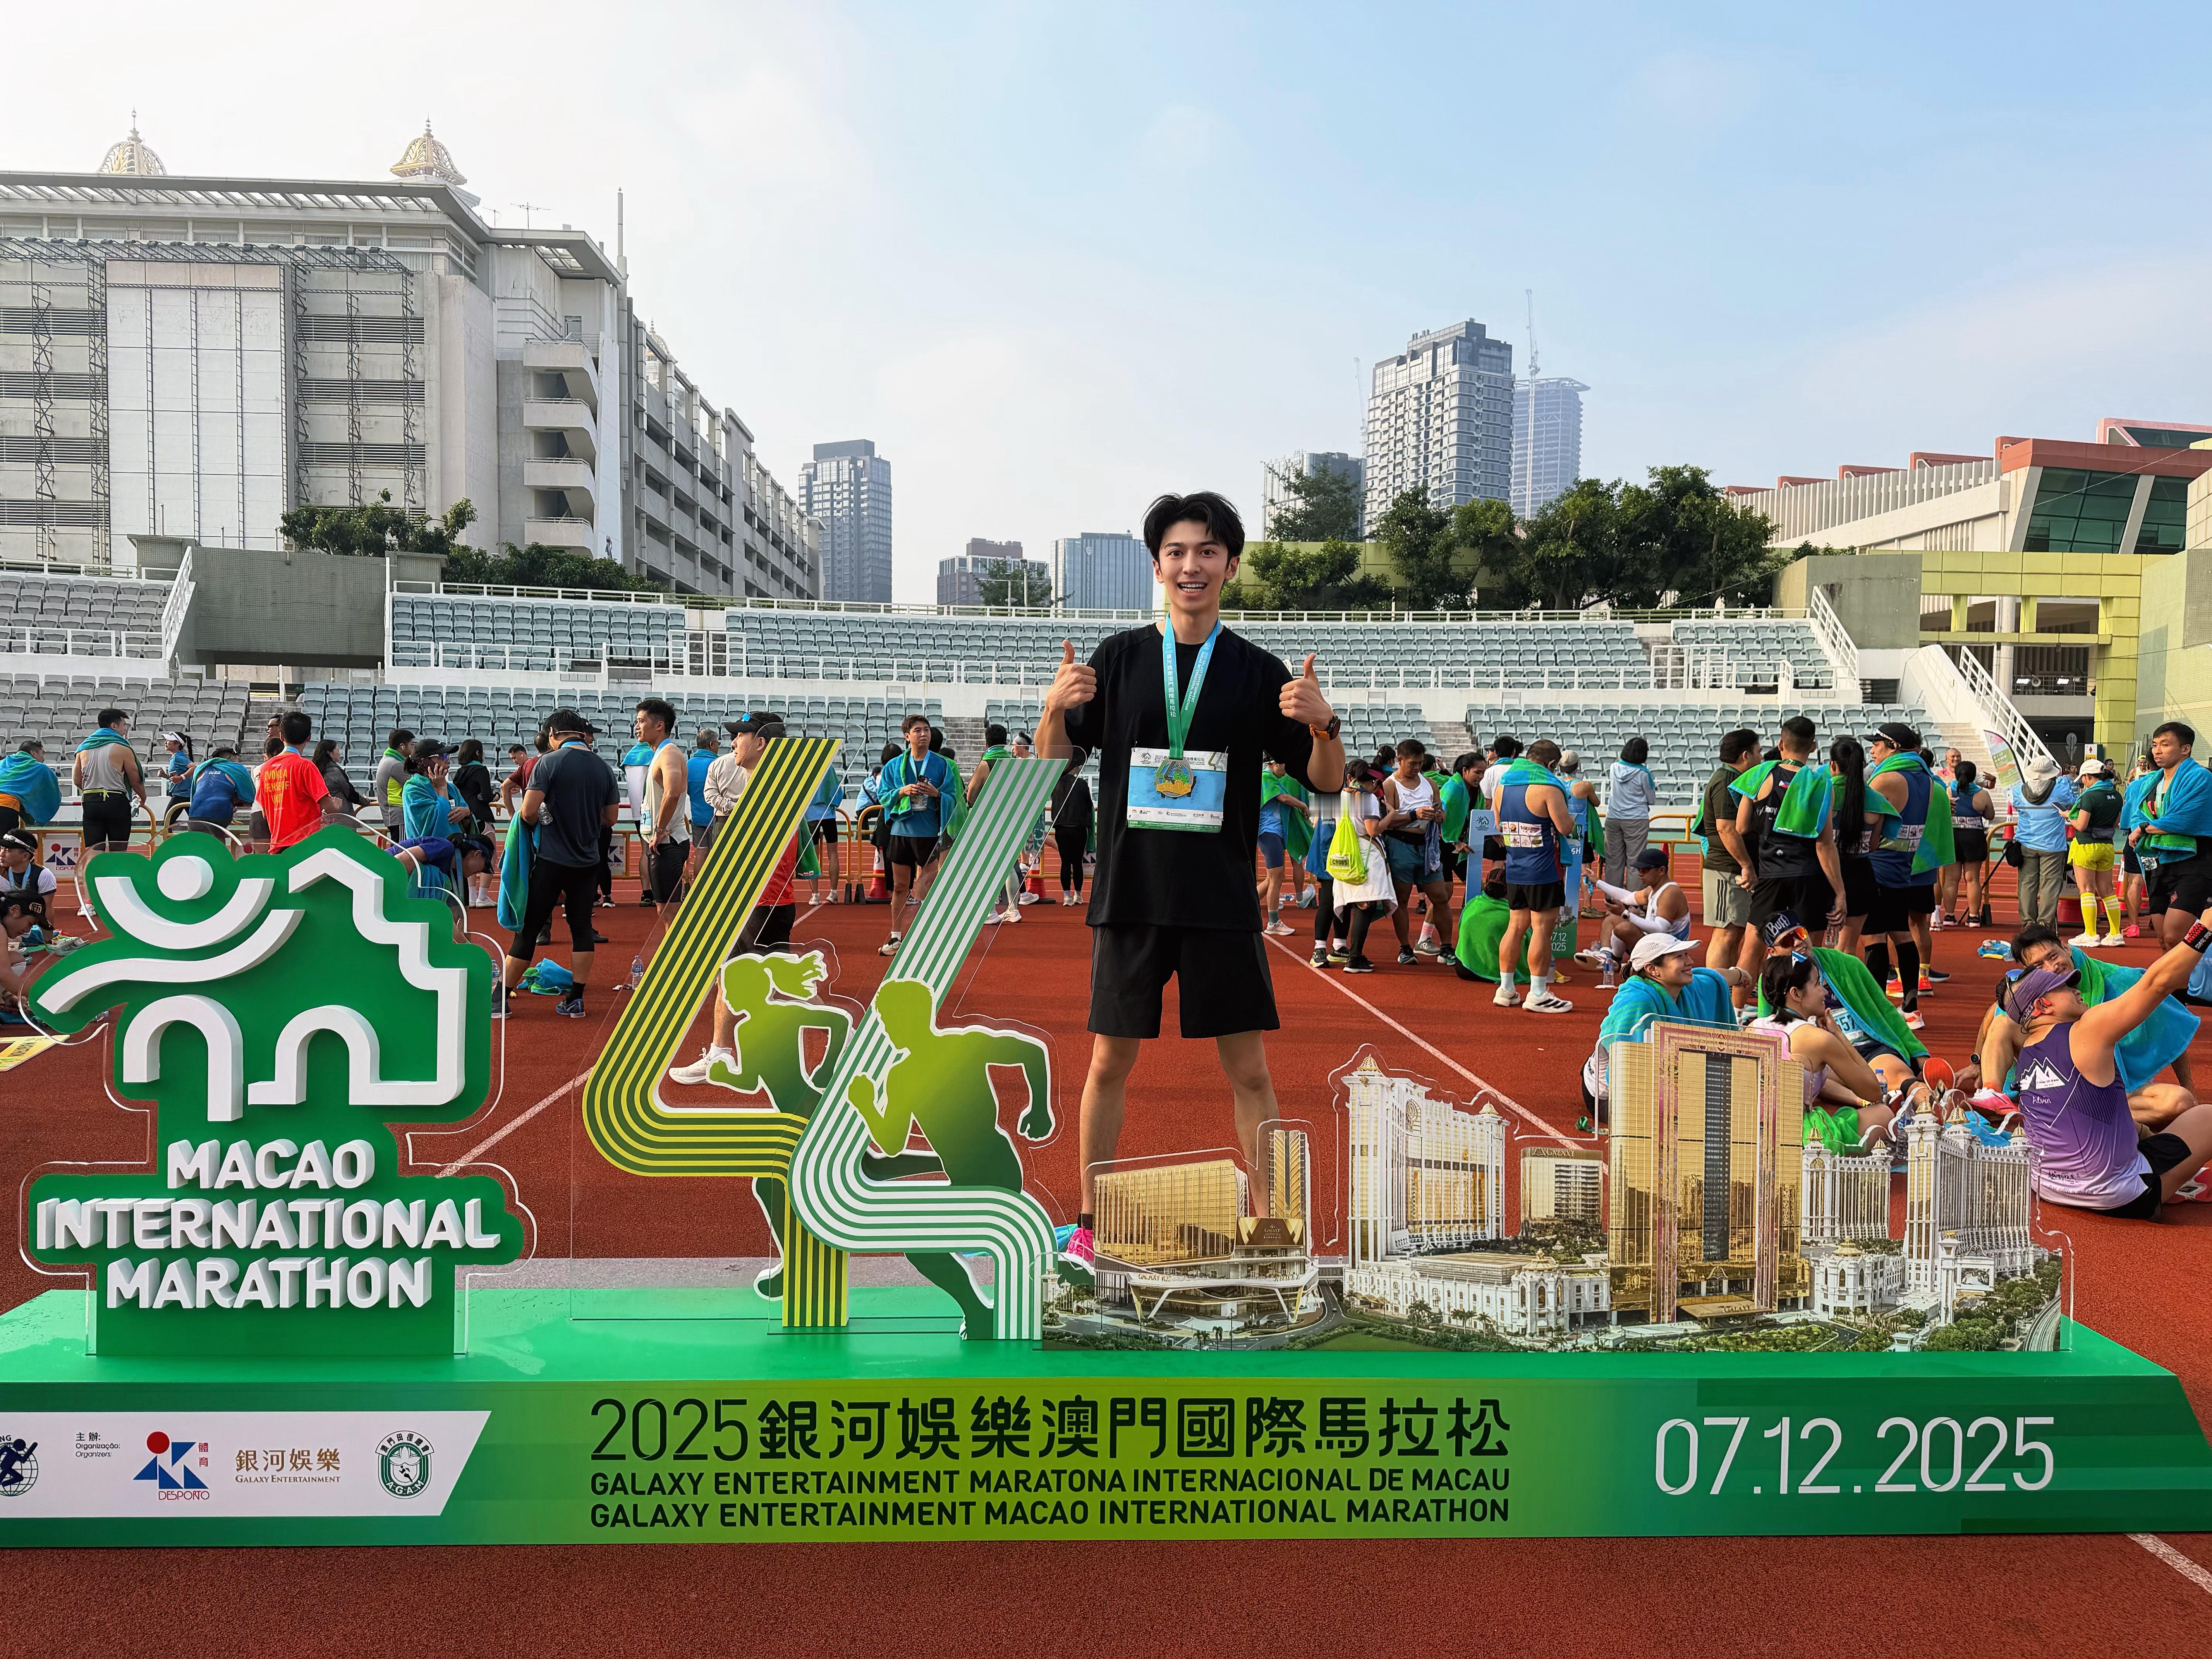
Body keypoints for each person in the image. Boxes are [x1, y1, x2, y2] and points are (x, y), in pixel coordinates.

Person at [1038, 489, 1343, 1285]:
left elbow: (1325, 781)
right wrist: (1053, 708)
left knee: (1250, 1071)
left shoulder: (1257, 670)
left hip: (1219, 897)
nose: (1191, 565)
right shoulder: (1117, 659)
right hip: (1131, 893)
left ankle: (1270, 1227)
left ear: (1231, 565)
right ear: (1157, 566)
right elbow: (1051, 764)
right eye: (1176, 551)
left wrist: (1324, 724)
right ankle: (1088, 1225)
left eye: (1207, 550)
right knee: (1109, 1063)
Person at [2004, 917, 2212, 1218]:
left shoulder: (2026, 1050)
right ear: (2043, 1006)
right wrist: (2204, 930)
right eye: (2065, 988)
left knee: (2117, 1121)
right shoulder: (2088, 1030)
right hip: (2119, 1196)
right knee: (2207, 1117)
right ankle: (2172, 1181)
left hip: (2048, 1189)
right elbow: (2157, 983)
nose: (2076, 989)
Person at [1977, 923, 2199, 1133]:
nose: (2052, 968)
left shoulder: (2118, 981)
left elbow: (2170, 1029)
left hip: (2106, 1089)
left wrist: (2188, 1086)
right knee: (2003, 1021)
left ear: (2067, 948)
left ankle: (2063, 1117)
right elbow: (1995, 1012)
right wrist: (1977, 1062)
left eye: (2053, 956)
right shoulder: (2027, 991)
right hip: (2055, 1085)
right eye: (2039, 966)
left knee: (2179, 1101)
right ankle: (1992, 1095)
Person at [501, 709, 621, 1020]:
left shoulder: (548, 762)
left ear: (553, 734)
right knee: (581, 928)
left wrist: (547, 818)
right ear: (581, 733)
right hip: (587, 861)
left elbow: (528, 812)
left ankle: (500, 998)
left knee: (528, 930)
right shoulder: (604, 768)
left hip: (551, 860)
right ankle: (576, 999)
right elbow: (611, 818)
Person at [1731, 714, 1846, 1003]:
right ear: (1814, 747)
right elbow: (1825, 844)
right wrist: (1840, 892)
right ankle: (1801, 1012)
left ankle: (1736, 1015)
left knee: (1752, 949)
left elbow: (1741, 827)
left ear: (1781, 744)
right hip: (1808, 879)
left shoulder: (1759, 777)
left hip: (1771, 877)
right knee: (1807, 949)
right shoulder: (1820, 785)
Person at [1582, 933, 1749, 1126]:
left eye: (1687, 954)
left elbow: (1715, 978)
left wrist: (1739, 975)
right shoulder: (1638, 1002)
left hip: (1659, 1076)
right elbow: (1628, 1074)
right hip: (1611, 1093)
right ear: (1653, 969)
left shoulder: (1685, 987)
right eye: (1679, 957)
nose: (1690, 962)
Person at [1751, 952, 1903, 1148]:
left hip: (1748, 1134)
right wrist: (1839, 1035)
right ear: (1796, 994)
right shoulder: (1819, 1040)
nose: (1825, 992)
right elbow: (1873, 1092)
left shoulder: (1754, 1027)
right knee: (1883, 1114)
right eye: (1817, 984)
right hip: (1796, 1139)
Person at [1861, 721, 1951, 1029]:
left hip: (1878, 865)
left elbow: (1865, 823)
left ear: (1894, 747)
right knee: (1902, 933)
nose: (1873, 751)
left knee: (1874, 937)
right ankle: (1911, 1009)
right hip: (1905, 865)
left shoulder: (1887, 778)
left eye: (1877, 745)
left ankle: (1875, 1014)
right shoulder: (1926, 779)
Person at [1488, 738, 1577, 1012]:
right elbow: (1565, 827)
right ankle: (1538, 993)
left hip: (1515, 867)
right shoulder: (1549, 787)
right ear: (1552, 764)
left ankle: (1506, 989)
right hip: (1544, 869)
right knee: (1542, 930)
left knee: (1515, 927)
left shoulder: (1503, 786)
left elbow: (1498, 823)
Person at [2125, 721, 2212, 950]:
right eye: (2155, 745)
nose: (2158, 751)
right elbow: (2137, 814)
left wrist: (2144, 828)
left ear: (2186, 749)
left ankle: (2198, 973)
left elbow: (2184, 819)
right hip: (2159, 864)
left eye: (2165, 745)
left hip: (2194, 863)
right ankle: (2175, 977)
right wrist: (2142, 825)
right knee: (2163, 939)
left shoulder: (2200, 777)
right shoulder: (2151, 782)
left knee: (2175, 936)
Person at [876, 713, 954, 957]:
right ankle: (895, 936)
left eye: (927, 730)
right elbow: (883, 796)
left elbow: (953, 798)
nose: (923, 734)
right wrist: (902, 791)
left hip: (929, 833)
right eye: (918, 731)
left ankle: (928, 938)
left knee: (928, 887)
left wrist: (936, 794)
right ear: (907, 736)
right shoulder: (894, 766)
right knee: (901, 887)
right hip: (901, 831)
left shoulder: (942, 765)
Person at [1377, 738, 1453, 963]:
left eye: (1420, 763)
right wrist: (1414, 815)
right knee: (1402, 899)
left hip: (1427, 846)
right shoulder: (1390, 785)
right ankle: (1405, 948)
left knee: (1440, 897)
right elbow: (1386, 821)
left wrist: (1439, 817)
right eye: (1413, 764)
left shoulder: (1430, 784)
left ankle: (1447, 947)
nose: (1417, 768)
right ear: (1400, 760)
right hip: (1400, 844)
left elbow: (1441, 813)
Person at [1697, 728, 1760, 991]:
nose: (1760, 758)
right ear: (1745, 755)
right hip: (1727, 870)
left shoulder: (1731, 780)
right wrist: (1746, 865)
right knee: (1725, 933)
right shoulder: (1726, 782)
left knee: (1733, 933)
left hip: (1731, 869)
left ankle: (1726, 992)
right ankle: (1712, 992)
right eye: (1758, 752)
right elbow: (1726, 828)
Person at [1329, 759, 1397, 973]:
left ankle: (1346, 950)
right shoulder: (1368, 799)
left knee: (1349, 902)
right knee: (1366, 905)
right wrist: (1391, 815)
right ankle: (1355, 957)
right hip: (1366, 853)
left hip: (1345, 852)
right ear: (1374, 783)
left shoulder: (1341, 796)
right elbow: (1373, 830)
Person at [1579, 847, 1690, 973]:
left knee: (1624, 928)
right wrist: (1598, 882)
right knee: (1612, 920)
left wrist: (1625, 914)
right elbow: (1627, 897)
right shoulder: (1653, 889)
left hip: (1668, 949)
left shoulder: (1670, 893)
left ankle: (1620, 960)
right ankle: (1607, 956)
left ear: (1662, 870)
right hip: (1655, 941)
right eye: (1639, 870)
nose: (1640, 874)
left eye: (1645, 870)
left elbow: (1660, 929)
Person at [632, 697, 690, 921]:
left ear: (659, 725)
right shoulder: (660, 753)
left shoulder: (669, 754)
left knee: (669, 912)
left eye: (641, 721)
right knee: (664, 911)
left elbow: (673, 792)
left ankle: (679, 945)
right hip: (662, 842)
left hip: (667, 842)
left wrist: (659, 829)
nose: (637, 727)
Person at [260, 711, 350, 853]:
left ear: (282, 736)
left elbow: (265, 814)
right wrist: (337, 805)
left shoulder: (266, 768)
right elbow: (330, 808)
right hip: (306, 845)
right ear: (309, 738)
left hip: (278, 845)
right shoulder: (306, 766)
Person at [74, 708, 145, 871]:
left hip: (91, 801)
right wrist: (143, 797)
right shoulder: (123, 748)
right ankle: (115, 882)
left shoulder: (83, 749)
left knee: (93, 850)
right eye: (124, 725)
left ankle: (92, 883)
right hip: (116, 801)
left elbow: (77, 780)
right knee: (118, 849)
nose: (125, 729)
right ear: (114, 726)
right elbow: (135, 780)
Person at [2010, 754, 2076, 930]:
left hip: (2026, 843)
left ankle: (2028, 922)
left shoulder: (2019, 792)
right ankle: (2045, 923)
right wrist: (2062, 782)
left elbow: (2016, 805)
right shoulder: (2059, 790)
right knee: (2050, 884)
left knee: (2027, 884)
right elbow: (2072, 801)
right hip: (2052, 845)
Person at [2067, 757, 2124, 946]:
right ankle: (2115, 934)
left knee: (2087, 891)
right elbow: (2116, 823)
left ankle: (2091, 934)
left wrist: (2068, 817)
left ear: (2087, 777)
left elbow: (2081, 825)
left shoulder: (2089, 797)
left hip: (2086, 846)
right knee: (2108, 891)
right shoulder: (2116, 795)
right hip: (2107, 846)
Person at [1257, 756, 1313, 937]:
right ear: (1274, 764)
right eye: (1284, 767)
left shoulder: (1273, 778)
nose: (1286, 771)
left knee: (1272, 878)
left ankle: (1243, 907)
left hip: (1274, 833)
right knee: (1276, 878)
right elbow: (1284, 798)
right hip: (1269, 832)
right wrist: (1303, 805)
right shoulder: (1266, 777)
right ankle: (1273, 923)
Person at [1940, 759, 1994, 933]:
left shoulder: (1949, 790)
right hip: (1974, 837)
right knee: (1973, 879)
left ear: (1956, 775)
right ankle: (1974, 917)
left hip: (1953, 836)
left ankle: (1949, 916)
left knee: (1951, 879)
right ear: (1974, 776)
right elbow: (1990, 816)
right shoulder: (1982, 794)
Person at [1605, 736, 1656, 886]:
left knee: (1613, 861)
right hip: (1636, 819)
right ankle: (1634, 899)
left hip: (1613, 817)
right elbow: (1652, 799)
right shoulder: (1644, 774)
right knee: (1635, 862)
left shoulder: (1614, 768)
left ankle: (1611, 898)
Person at [1050, 747, 1094, 908]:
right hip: (1079, 828)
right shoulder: (1082, 784)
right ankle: (1078, 895)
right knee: (1077, 863)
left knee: (1065, 863)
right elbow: (1089, 806)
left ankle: (1067, 896)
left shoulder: (1057, 785)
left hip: (1062, 828)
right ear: (1075, 769)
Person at [182, 745, 254, 839]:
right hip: (220, 814)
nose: (238, 762)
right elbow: (250, 797)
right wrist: (233, 801)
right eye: (237, 759)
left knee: (198, 844)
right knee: (218, 842)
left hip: (195, 814)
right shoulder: (236, 768)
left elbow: (198, 792)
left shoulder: (201, 769)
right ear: (230, 758)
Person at [801, 737, 842, 903]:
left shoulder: (805, 768)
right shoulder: (828, 767)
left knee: (813, 855)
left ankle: (815, 895)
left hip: (811, 815)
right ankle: (834, 892)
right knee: (833, 854)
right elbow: (836, 790)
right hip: (829, 814)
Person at [0, 830, 57, 934]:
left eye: (8, 850)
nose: (2, 854)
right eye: (2, 848)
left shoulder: (43, 875)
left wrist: (47, 937)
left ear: (25, 856)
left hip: (29, 926)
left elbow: (46, 908)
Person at [450, 738, 497, 834]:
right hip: (481, 816)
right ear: (477, 752)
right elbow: (487, 797)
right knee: (488, 844)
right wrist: (497, 796)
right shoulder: (482, 770)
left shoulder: (460, 772)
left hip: (463, 818)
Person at [373, 729, 414, 834]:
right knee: (402, 844)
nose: (413, 748)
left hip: (394, 815)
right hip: (399, 815)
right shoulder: (396, 765)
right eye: (412, 745)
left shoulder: (388, 760)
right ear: (402, 746)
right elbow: (414, 787)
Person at [314, 739, 368, 817]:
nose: (340, 753)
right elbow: (350, 794)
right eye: (338, 750)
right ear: (329, 753)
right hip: (341, 816)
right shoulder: (335, 772)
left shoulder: (315, 770)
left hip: (322, 815)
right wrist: (366, 801)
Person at [159, 732, 194, 824]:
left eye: (169, 740)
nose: (166, 743)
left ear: (178, 744)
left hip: (181, 795)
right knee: (195, 821)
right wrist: (166, 776)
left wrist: (182, 778)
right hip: (185, 794)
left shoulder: (178, 757)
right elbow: (177, 777)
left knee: (168, 822)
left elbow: (194, 768)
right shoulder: (177, 756)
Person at [499, 743, 536, 816]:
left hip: (531, 809)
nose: (514, 761)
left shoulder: (525, 768)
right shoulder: (537, 763)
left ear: (522, 754)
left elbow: (504, 787)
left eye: (515, 758)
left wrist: (512, 816)